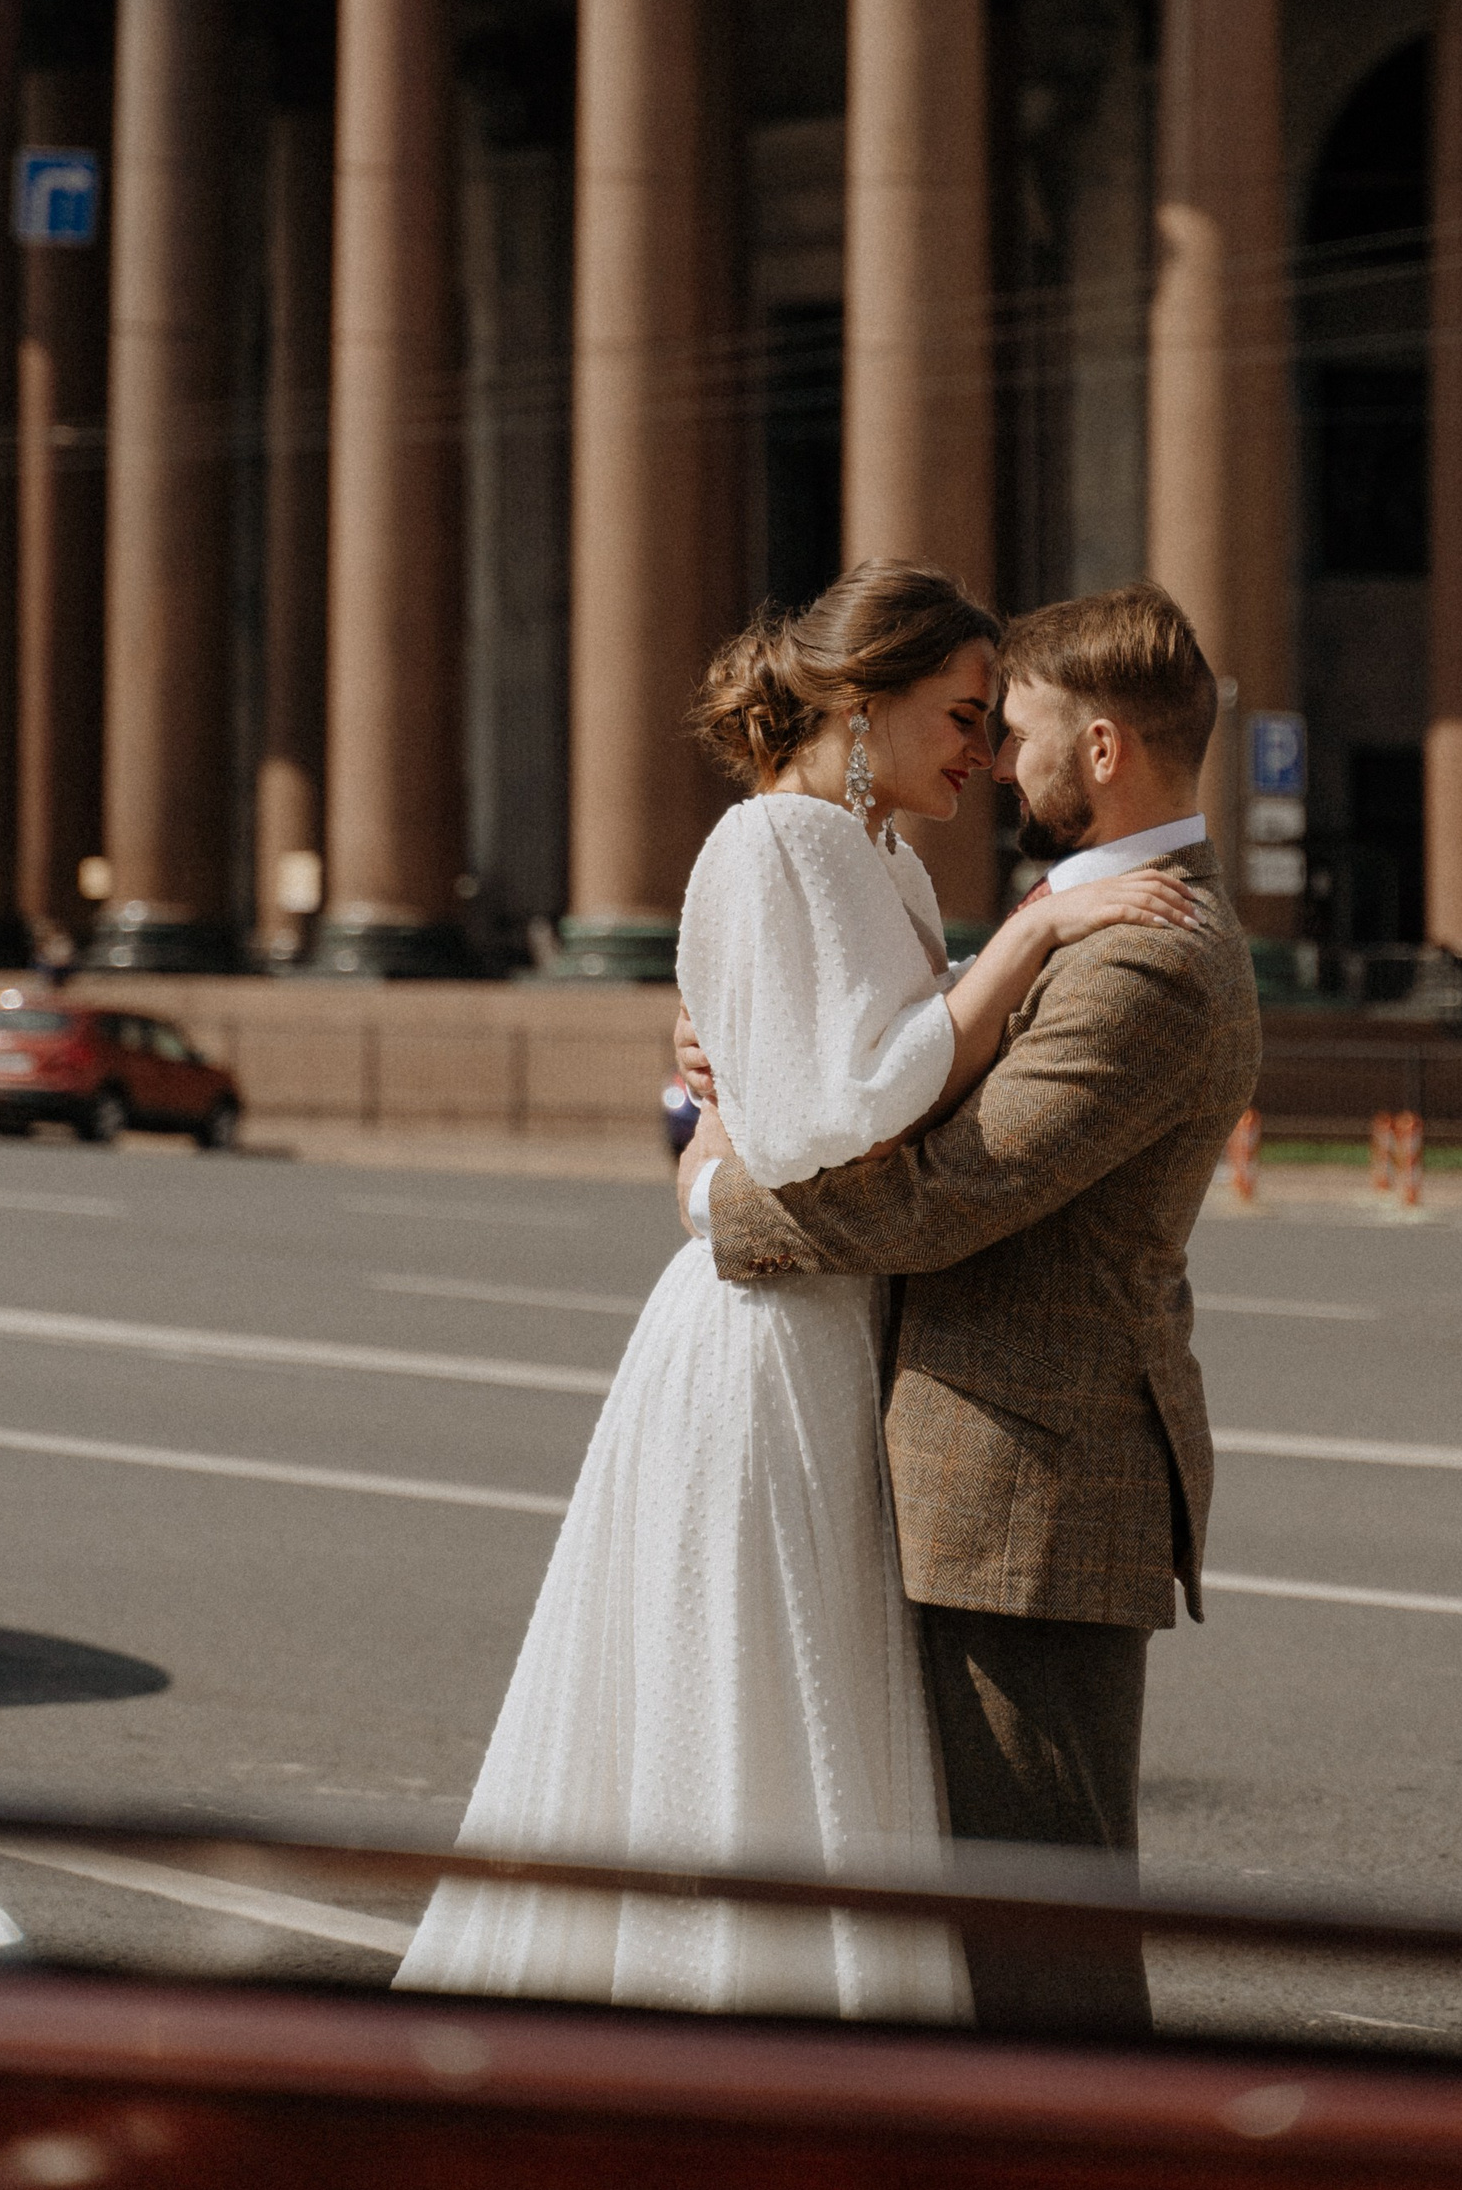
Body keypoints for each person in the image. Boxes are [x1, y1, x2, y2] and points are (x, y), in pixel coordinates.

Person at [393, 559, 1197, 2019]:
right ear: (864, 702)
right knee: (755, 1686)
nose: (981, 753)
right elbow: (854, 1110)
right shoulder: (777, 838)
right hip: (768, 1328)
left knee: (815, 1683)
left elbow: (849, 1079)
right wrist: (1029, 935)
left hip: (841, 1319)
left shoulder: (881, 859)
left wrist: (719, 1101)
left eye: (993, 722)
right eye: (961, 715)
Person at [678, 583, 1260, 2037]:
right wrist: (735, 1055)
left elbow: (941, 1200)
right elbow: (880, 1066)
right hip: (997, 1487)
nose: (999, 758)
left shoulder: (1146, 956)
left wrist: (712, 1192)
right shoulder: (1091, 927)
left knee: (1042, 1955)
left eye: (1021, 728)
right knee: (996, 1928)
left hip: (1031, 1500)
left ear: (1104, 748)